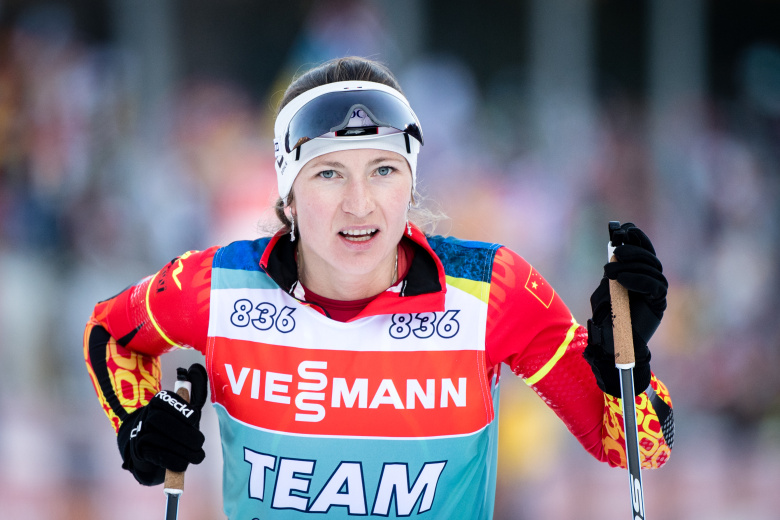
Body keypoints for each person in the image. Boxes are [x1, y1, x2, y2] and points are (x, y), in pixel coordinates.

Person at [83, 56, 674, 519]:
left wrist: (626, 368)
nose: (360, 204)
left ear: (410, 186)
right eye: (329, 173)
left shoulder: (491, 290)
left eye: (384, 170)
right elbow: (110, 333)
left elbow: (638, 449)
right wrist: (138, 426)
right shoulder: (218, 287)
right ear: (289, 196)